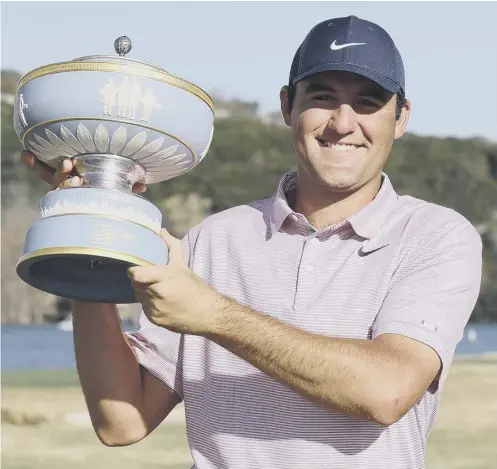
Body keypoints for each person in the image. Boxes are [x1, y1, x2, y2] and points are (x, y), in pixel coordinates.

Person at [22, 15, 482, 469]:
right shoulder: (212, 241)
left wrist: (213, 315)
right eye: (322, 97)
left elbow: (387, 391)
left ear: (401, 117)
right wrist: (90, 227)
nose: (343, 123)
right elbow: (122, 422)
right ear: (288, 106)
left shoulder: (435, 235)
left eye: (367, 103)